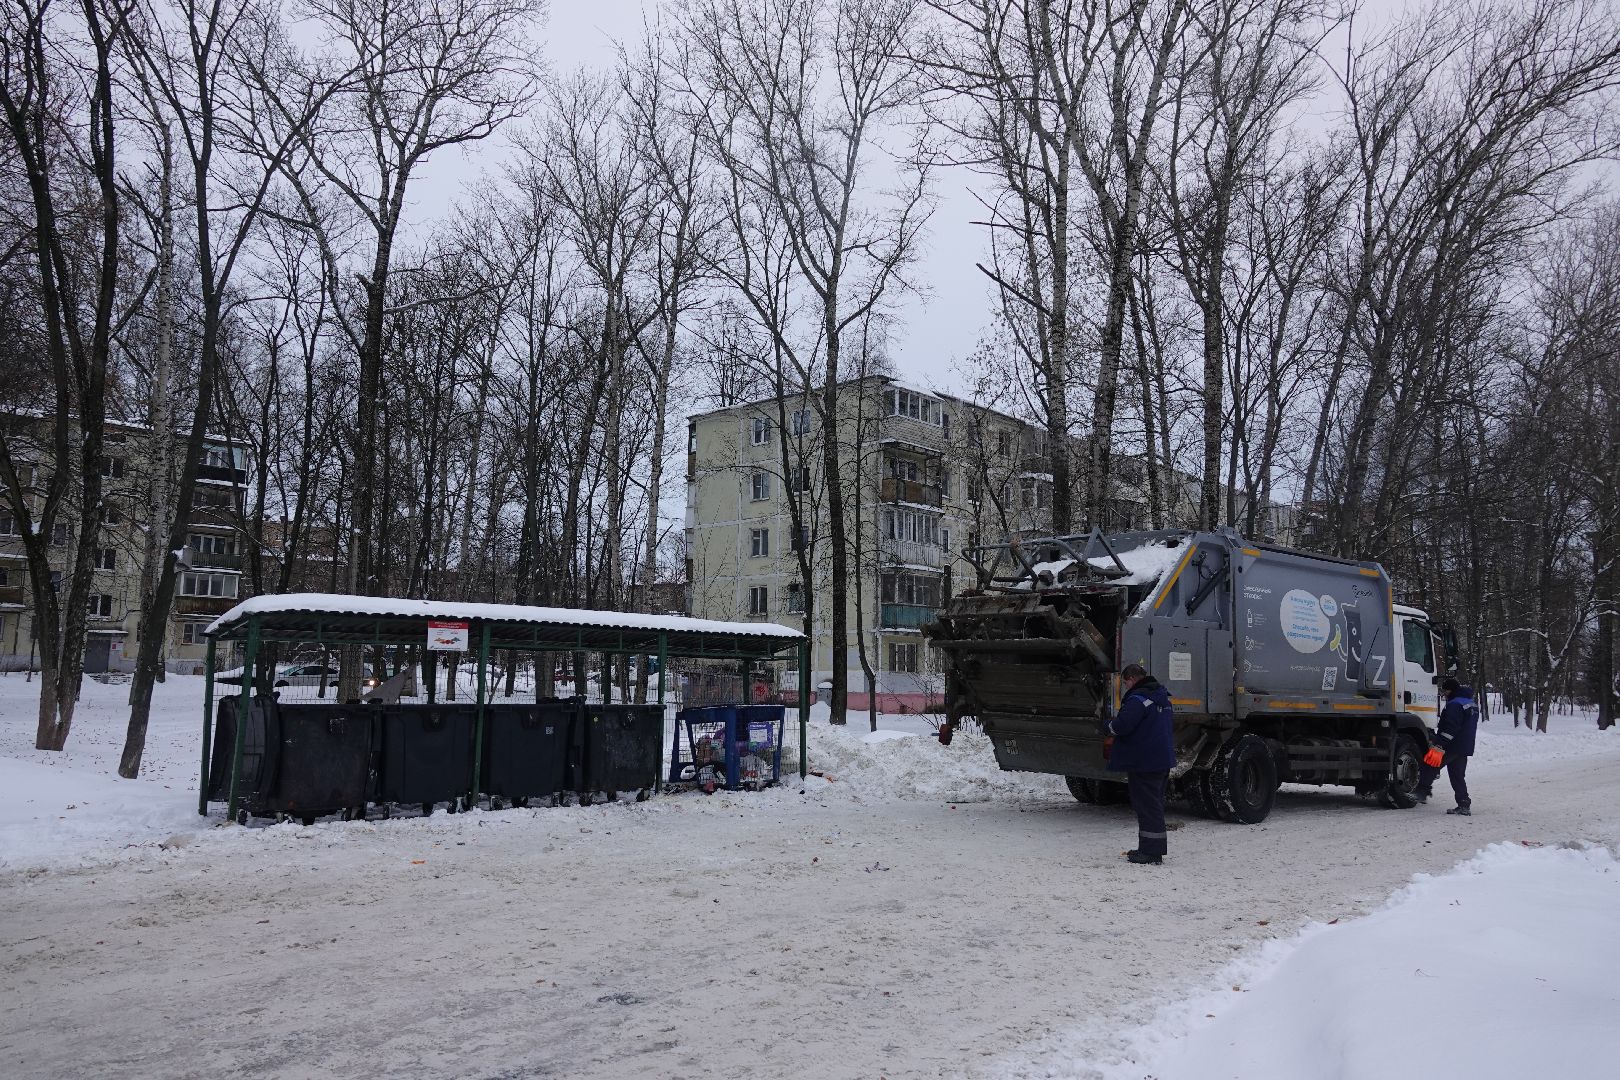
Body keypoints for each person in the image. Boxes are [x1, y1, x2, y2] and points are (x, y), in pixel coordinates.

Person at [1106, 663, 1176, 864]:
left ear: (1132, 679)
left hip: (1145, 762)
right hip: (1161, 759)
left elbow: (1122, 725)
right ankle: (1148, 848)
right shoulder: (1163, 699)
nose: (1126, 687)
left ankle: (1151, 853)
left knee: (1147, 806)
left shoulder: (1139, 699)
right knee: (1153, 805)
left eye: (1125, 683)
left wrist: (1106, 726)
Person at [1415, 677, 1479, 815]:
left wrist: (1440, 744)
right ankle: (1464, 804)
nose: (1444, 693)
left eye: (1446, 690)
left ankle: (1421, 792)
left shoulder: (1455, 705)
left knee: (1430, 765)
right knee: (1457, 775)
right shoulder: (1470, 703)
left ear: (1452, 690)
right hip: (1465, 746)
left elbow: (1451, 728)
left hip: (1452, 745)